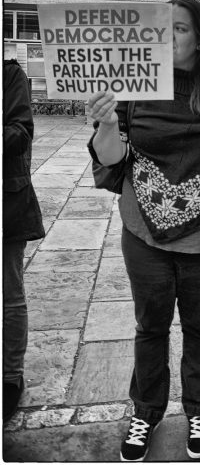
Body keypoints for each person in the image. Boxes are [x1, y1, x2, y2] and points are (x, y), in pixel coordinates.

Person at [87, 0, 200, 462]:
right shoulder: (134, 90)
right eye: (162, 28)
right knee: (151, 326)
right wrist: (104, 122)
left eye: (177, 29)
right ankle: (146, 411)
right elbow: (113, 158)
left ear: (199, 39)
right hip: (144, 234)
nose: (166, 36)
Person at [3, 59, 45, 423]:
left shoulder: (8, 74)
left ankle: (8, 378)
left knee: (7, 295)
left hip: (5, 200)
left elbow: (19, 133)